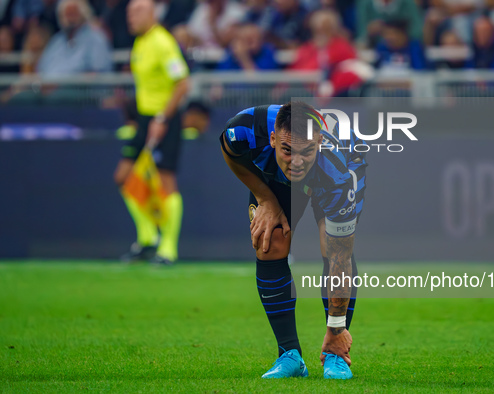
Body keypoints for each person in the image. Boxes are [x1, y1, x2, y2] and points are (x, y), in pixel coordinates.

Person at [220, 101, 367, 379]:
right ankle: (289, 355)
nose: (296, 162)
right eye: (287, 150)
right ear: (273, 139)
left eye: (306, 151)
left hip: (339, 169)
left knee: (332, 245)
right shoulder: (243, 130)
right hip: (275, 179)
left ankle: (335, 353)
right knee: (270, 239)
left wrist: (336, 328)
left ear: (319, 142)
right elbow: (230, 152)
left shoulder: (337, 172)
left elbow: (340, 256)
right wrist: (265, 197)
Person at [113, 0, 190, 265]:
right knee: (124, 178)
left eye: (137, 12)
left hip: (164, 119)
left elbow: (182, 83)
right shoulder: (140, 43)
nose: (131, 18)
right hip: (145, 120)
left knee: (166, 181)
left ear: (152, 13)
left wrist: (162, 117)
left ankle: (168, 249)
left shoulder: (162, 42)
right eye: (129, 13)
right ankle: (147, 239)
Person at [36, 0, 112, 75]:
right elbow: (41, 68)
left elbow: (97, 74)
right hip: (45, 84)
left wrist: (62, 83)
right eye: (67, 14)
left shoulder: (96, 38)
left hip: (78, 86)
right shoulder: (56, 41)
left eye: (73, 14)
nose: (69, 19)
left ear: (83, 14)